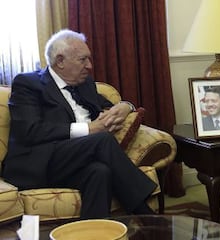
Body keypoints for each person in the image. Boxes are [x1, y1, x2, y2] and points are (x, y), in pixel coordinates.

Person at [1, 29, 157, 219]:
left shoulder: (85, 84)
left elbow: (110, 107)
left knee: (100, 172)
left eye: (89, 59)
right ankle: (144, 213)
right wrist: (89, 129)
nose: (89, 66)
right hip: (39, 161)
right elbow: (30, 130)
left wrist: (126, 106)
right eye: (83, 60)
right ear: (60, 61)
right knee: (102, 140)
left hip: (74, 161)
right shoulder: (28, 84)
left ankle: (93, 232)